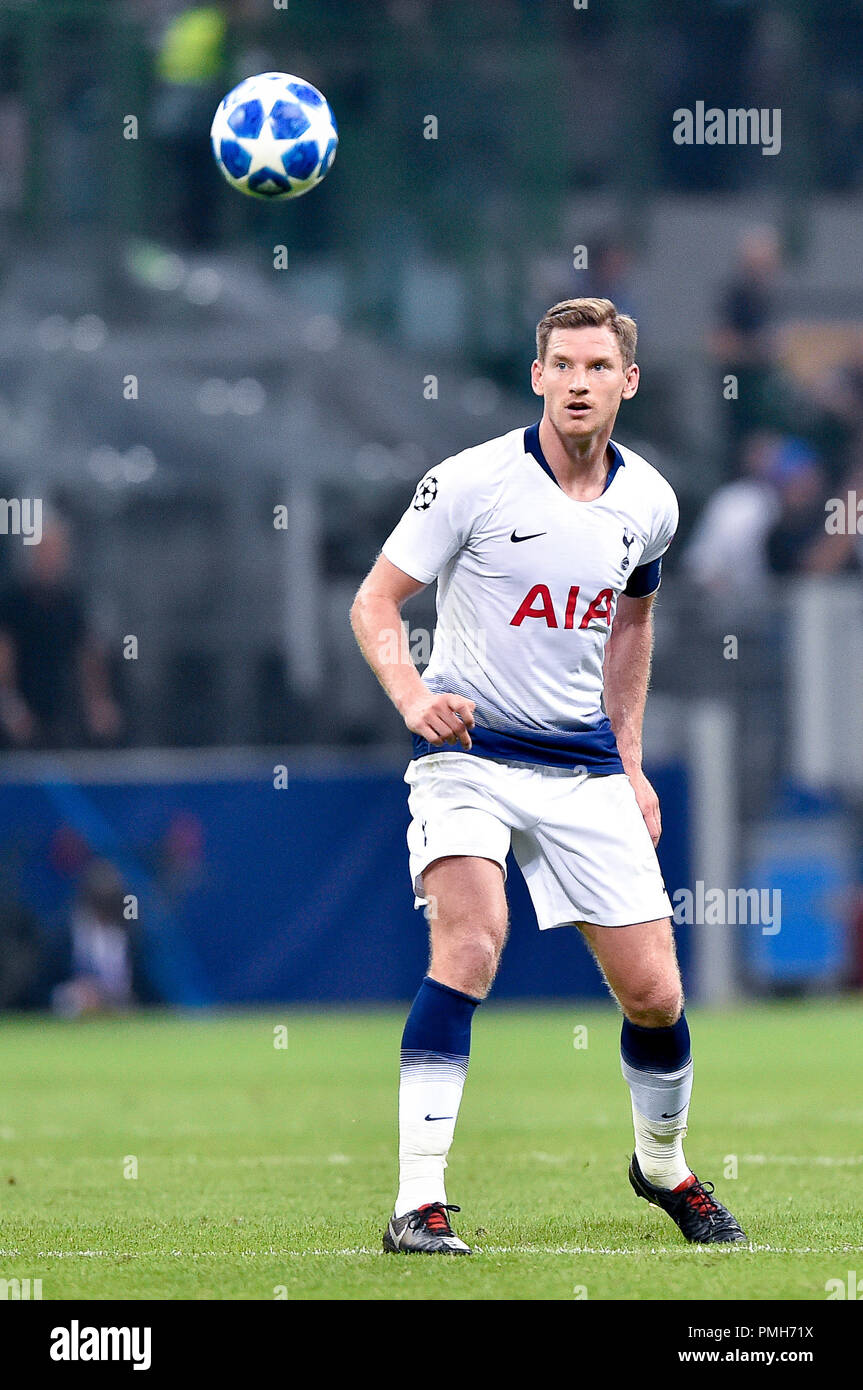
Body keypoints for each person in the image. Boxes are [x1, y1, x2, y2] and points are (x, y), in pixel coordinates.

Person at [350, 297, 747, 1254]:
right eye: (561, 365)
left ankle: (661, 1167)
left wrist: (633, 762)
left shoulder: (649, 501)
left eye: (596, 367)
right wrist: (411, 699)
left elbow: (634, 624)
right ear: (536, 377)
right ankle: (418, 1203)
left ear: (627, 381)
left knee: (654, 994)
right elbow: (374, 601)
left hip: (582, 767)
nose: (577, 382)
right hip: (469, 758)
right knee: (472, 943)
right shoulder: (472, 482)